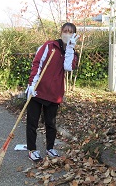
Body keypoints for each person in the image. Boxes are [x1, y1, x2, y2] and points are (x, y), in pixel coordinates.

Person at [25, 23, 79, 163]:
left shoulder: (72, 53)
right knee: (32, 122)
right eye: (65, 31)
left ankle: (50, 147)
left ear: (74, 35)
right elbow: (37, 63)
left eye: (71, 32)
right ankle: (32, 150)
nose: (67, 33)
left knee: (51, 123)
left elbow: (68, 67)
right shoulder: (50, 46)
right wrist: (32, 84)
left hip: (55, 92)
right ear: (61, 32)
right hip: (38, 90)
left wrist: (70, 49)